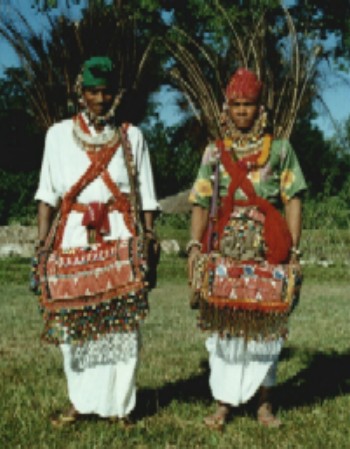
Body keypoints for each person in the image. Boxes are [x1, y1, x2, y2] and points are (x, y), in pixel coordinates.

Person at [34, 56, 159, 425]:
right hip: (72, 236)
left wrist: (148, 238)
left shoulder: (132, 136)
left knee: (122, 322)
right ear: (80, 92)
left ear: (116, 94)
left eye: (106, 91)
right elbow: (47, 194)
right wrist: (43, 242)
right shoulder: (57, 135)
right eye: (92, 91)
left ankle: (121, 406)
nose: (100, 99)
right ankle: (80, 401)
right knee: (74, 320)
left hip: (120, 233)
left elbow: (146, 195)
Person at [187, 67, 306, 430]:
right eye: (236, 104)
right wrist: (195, 246)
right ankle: (223, 403)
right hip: (224, 250)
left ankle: (264, 404)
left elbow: (293, 199)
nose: (242, 111)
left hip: (269, 251)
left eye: (248, 105)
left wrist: (294, 251)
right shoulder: (214, 152)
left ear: (260, 108)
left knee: (266, 328)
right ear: (227, 108)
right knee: (223, 329)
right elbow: (200, 201)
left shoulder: (280, 151)